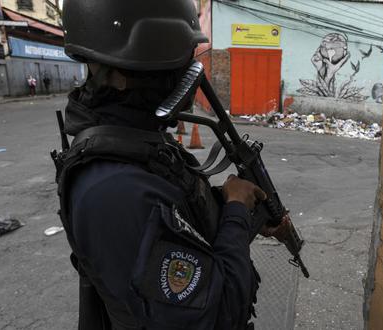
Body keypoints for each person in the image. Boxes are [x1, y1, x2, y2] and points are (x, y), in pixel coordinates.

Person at [53, 1, 282, 329]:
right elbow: (220, 313)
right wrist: (235, 209)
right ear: (131, 69)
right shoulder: (117, 190)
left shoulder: (133, 140)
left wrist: (241, 214)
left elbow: (174, 214)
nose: (190, 70)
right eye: (181, 57)